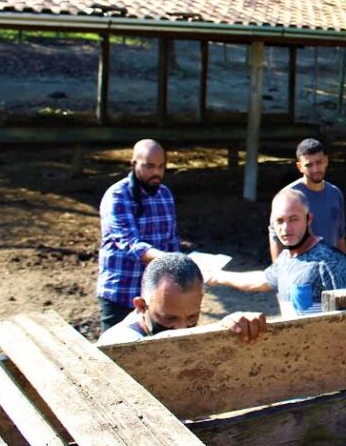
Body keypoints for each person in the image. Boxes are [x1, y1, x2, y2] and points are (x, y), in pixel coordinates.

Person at [207, 189, 346, 316]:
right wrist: (219, 276)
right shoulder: (286, 259)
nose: (286, 228)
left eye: (293, 219)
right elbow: (260, 280)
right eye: (279, 221)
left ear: (309, 219)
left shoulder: (326, 262)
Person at [97, 139, 181, 332]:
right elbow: (130, 244)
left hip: (155, 296)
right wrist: (171, 260)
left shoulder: (165, 194)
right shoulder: (117, 196)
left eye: (161, 166)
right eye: (150, 166)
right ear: (134, 164)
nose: (156, 173)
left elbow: (173, 240)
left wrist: (178, 269)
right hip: (122, 292)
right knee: (113, 354)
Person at [97, 252, 268, 346]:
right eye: (169, 318)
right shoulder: (120, 344)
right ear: (141, 306)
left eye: (192, 317)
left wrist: (232, 326)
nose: (181, 330)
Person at [274, 139, 346, 263]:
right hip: (301, 270)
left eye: (319, 163)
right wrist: (282, 276)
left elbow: (340, 237)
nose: (315, 169)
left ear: (326, 161)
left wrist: (345, 268)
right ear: (299, 167)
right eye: (308, 165)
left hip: (331, 267)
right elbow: (276, 240)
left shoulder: (335, 193)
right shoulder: (288, 197)